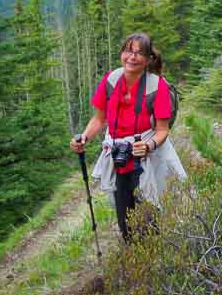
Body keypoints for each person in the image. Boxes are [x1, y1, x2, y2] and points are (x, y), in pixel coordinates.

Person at [70, 32, 186, 241]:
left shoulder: (156, 86)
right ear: (122, 54)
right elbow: (99, 118)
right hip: (118, 154)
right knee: (124, 212)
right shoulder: (111, 80)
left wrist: (149, 145)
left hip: (147, 154)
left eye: (139, 53)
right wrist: (85, 137)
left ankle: (157, 251)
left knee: (151, 209)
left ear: (149, 59)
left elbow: (162, 130)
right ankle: (133, 250)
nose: (132, 57)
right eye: (128, 51)